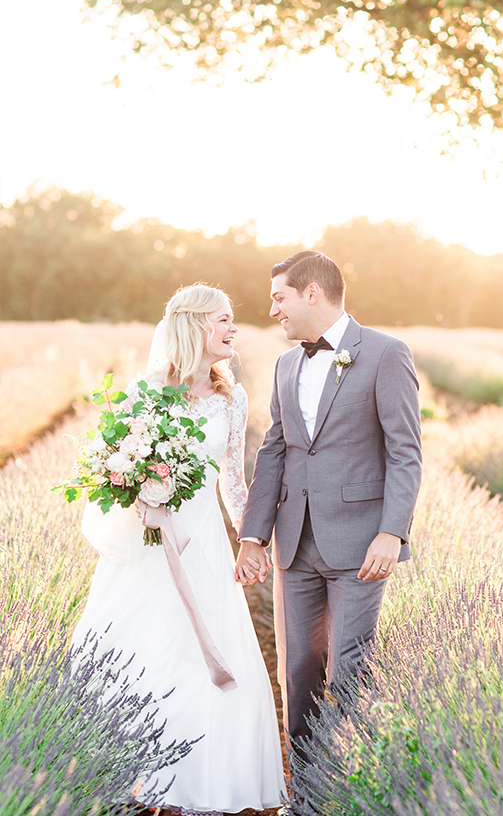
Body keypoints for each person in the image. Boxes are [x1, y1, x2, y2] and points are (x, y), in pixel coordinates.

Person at [72, 283, 285, 816]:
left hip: (205, 542)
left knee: (201, 651)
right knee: (145, 649)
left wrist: (251, 541)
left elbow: (234, 483)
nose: (234, 329)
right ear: (194, 326)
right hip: (149, 545)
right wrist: (138, 491)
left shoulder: (231, 400)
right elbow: (113, 466)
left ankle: (197, 781)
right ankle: (135, 778)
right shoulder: (147, 393)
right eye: (224, 320)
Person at [235, 251, 422, 761]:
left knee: (349, 668)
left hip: (360, 546)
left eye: (279, 298)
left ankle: (344, 782)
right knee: (298, 667)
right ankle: (305, 784)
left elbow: (406, 451)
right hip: (294, 545)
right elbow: (275, 450)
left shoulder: (386, 354)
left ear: (311, 294)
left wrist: (392, 532)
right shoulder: (286, 363)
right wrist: (253, 536)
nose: (273, 309)